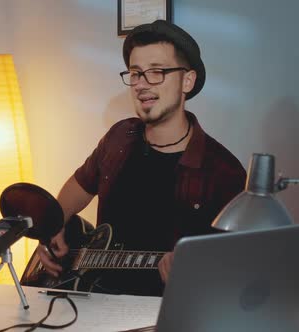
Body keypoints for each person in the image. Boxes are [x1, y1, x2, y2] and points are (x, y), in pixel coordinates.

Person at [36, 20, 246, 296]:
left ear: (187, 80)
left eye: (156, 72)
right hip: (93, 306)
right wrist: (53, 227)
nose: (141, 85)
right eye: (136, 73)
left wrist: (194, 273)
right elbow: (78, 187)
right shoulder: (119, 137)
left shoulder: (223, 171)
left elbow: (235, 267)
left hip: (166, 315)